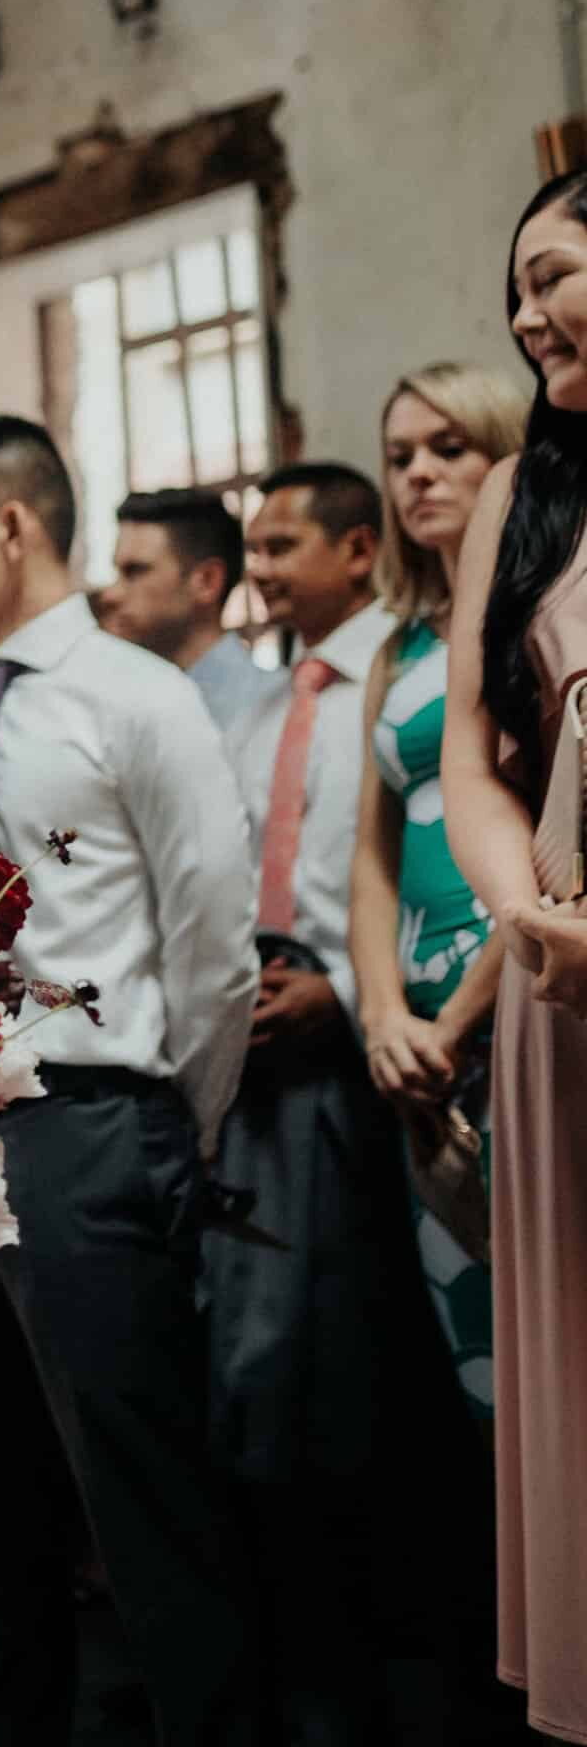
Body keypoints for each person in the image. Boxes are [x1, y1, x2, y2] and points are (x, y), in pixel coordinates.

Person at [0, 412, 260, 1747]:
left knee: (143, 1495)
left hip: (93, 1123)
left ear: (13, 522)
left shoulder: (134, 696)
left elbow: (213, 943)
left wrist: (166, 1131)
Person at [215, 462, 506, 1743]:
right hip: (269, 1046)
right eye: (252, 543)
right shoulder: (262, 703)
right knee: (285, 1374)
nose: (261, 566)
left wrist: (347, 991)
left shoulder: (394, 675)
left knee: (385, 1375)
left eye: (283, 544)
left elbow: (381, 862)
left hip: (380, 1036)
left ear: (352, 545)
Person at [444, 172, 587, 1746]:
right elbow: (482, 758)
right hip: (568, 994)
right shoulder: (524, 493)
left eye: (551, 275)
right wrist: (526, 913)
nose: (523, 316)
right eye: (513, 291)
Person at [350, 365, 527, 1414]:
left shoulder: (541, 613)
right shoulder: (398, 646)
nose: (417, 472)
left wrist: (461, 1017)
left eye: (447, 448)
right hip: (418, 1037)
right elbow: (369, 860)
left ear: (505, 449)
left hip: (518, 994)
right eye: (400, 454)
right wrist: (385, 1014)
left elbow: (567, 838)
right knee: (478, 1352)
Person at [100, 487, 261, 732]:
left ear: (207, 581)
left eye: (135, 571)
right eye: (117, 572)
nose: (110, 594)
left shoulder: (276, 709)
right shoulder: (124, 708)